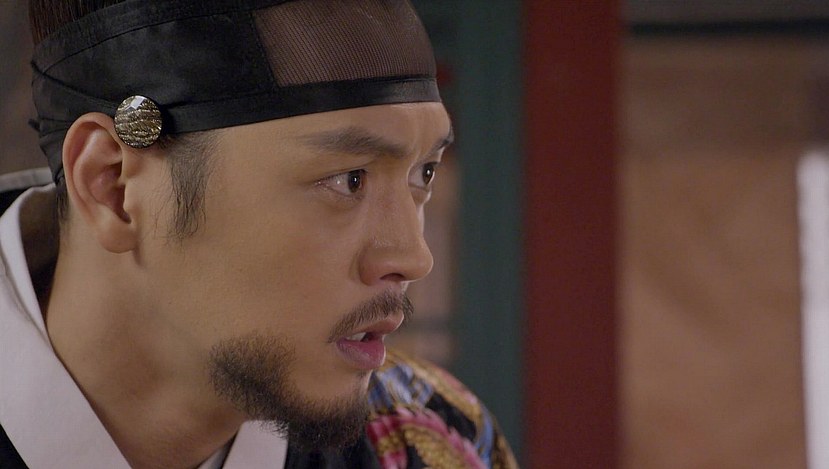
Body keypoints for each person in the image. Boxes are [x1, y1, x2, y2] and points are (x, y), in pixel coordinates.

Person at [0, 0, 519, 468]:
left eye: (423, 173)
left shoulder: (432, 438)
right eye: (349, 179)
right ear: (112, 186)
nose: (414, 257)